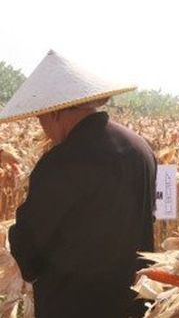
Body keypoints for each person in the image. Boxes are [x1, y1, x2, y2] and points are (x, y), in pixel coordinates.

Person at [0, 50, 156, 318]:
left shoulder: (60, 162)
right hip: (133, 303)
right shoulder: (141, 148)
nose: (42, 127)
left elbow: (30, 247)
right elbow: (151, 217)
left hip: (73, 304)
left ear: (56, 113)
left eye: (41, 117)